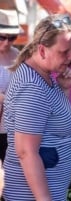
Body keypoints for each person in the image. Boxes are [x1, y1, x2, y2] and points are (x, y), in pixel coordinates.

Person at [2, 14, 71, 201]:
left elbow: (50, 119)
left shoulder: (45, 76)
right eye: (64, 52)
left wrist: (63, 89)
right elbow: (26, 152)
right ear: (42, 50)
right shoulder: (32, 87)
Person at [0, 9, 22, 163]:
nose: (6, 42)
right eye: (1, 37)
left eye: (11, 38)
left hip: (10, 128)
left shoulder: (18, 57)